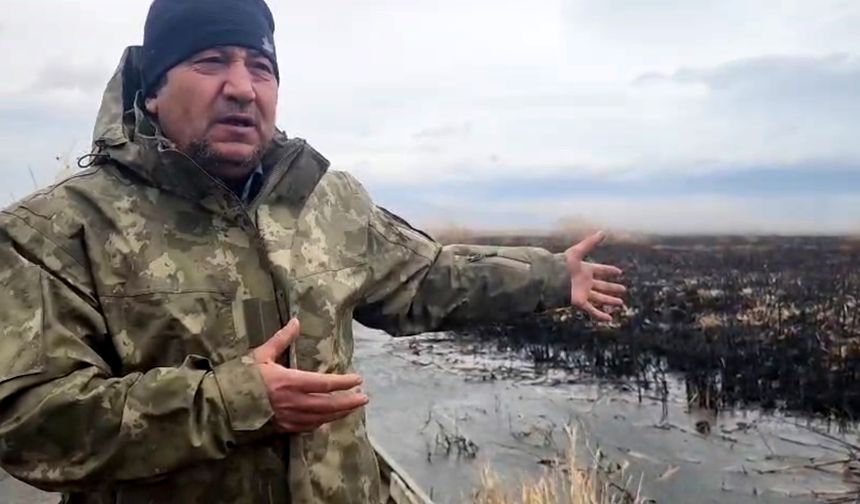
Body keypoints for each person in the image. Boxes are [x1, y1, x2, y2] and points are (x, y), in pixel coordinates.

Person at [0, 0, 626, 502]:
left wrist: (548, 277)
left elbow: (424, 277)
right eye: (211, 61)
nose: (242, 88)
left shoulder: (326, 199)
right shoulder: (55, 230)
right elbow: (26, 423)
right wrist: (233, 401)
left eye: (261, 68)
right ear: (153, 89)